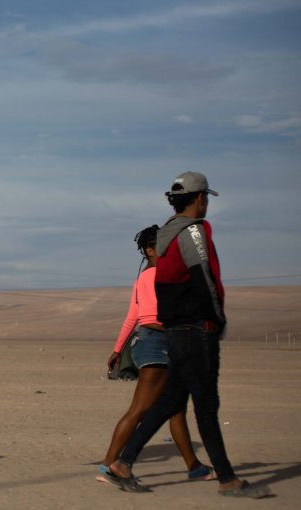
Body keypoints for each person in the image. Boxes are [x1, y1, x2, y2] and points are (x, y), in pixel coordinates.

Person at [103, 172, 271, 499]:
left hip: (176, 329)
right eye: (205, 197)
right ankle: (227, 479)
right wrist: (216, 318)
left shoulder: (164, 235)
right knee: (206, 405)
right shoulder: (193, 232)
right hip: (195, 328)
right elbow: (204, 275)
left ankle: (123, 464)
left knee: (171, 401)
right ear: (200, 199)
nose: (205, 203)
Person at [98, 225, 212, 482]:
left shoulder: (142, 279)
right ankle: (109, 465)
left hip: (152, 341)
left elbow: (132, 317)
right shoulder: (162, 275)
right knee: (140, 409)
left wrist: (118, 349)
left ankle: (194, 466)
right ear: (149, 250)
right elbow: (149, 317)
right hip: (157, 343)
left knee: (175, 409)